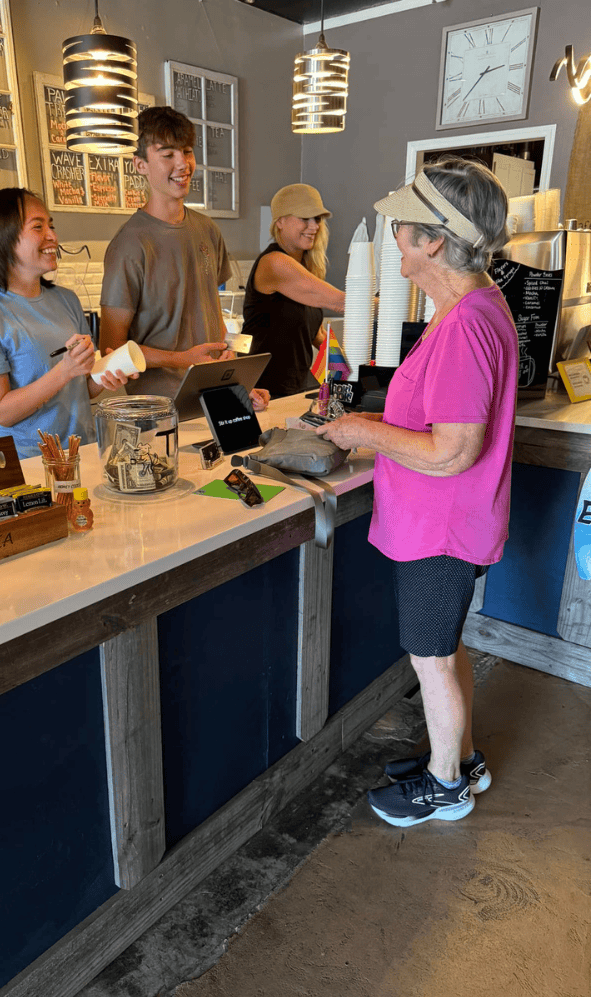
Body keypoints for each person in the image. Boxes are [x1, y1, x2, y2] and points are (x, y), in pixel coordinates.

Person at [316, 158, 517, 827]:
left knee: (429, 657)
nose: (393, 241)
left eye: (399, 230)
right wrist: (370, 427)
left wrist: (360, 430)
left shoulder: (463, 325)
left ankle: (445, 786)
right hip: (452, 524)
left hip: (441, 529)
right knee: (444, 644)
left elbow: (454, 448)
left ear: (432, 241)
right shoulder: (474, 305)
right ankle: (458, 755)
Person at [100, 106, 268, 411]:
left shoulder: (207, 230)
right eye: (167, 154)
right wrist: (181, 360)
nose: (183, 163)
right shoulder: (129, 245)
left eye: (187, 151)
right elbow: (111, 351)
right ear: (140, 165)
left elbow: (211, 315)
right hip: (158, 408)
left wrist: (234, 380)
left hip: (211, 396)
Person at [0, 188, 134, 459]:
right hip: (26, 461)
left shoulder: (67, 300)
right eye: (38, 227)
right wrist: (65, 370)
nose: (52, 236)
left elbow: (81, 390)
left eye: (51, 225)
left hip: (81, 450)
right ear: (2, 238)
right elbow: (3, 412)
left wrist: (104, 376)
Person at [242, 183, 345, 398]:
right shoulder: (274, 263)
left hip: (293, 387)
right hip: (263, 390)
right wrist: (385, 305)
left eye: (317, 219)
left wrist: (345, 375)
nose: (314, 226)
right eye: (304, 218)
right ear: (280, 221)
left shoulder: (306, 268)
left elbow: (316, 334)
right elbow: (339, 302)